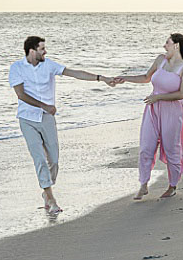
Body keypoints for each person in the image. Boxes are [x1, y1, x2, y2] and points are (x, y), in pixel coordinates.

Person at [9, 36, 115, 214]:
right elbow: (21, 94)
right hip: (27, 118)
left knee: (54, 160)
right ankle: (50, 197)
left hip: (47, 118)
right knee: (39, 159)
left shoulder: (49, 65)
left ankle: (46, 189)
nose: (45, 52)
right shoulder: (17, 68)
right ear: (32, 51)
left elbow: (74, 73)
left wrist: (101, 78)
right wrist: (44, 105)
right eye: (42, 49)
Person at [113, 33, 183, 200]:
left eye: (167, 43)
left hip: (172, 112)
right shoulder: (160, 60)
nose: (164, 46)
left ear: (176, 45)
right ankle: (143, 185)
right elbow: (146, 78)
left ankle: (172, 185)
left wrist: (159, 97)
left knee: (171, 149)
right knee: (146, 147)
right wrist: (125, 78)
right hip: (152, 109)